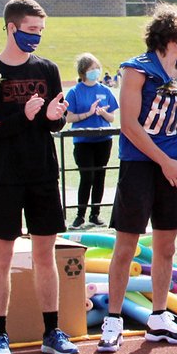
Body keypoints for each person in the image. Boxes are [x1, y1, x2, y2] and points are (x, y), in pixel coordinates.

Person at [0, 0, 77, 354]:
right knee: (2, 256)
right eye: (31, 30)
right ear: (12, 28)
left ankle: (52, 331)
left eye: (41, 31)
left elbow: (53, 122)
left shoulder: (46, 68)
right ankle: (0, 336)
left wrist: (52, 116)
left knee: (45, 255)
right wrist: (24, 116)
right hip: (4, 176)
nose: (37, 37)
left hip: (43, 173)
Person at [99, 4, 177, 353]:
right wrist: (164, 162)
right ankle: (113, 320)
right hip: (140, 164)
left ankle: (159, 316)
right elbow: (129, 125)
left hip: (173, 164)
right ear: (173, 36)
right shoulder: (136, 69)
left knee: (167, 245)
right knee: (126, 245)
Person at [64, 53, 119, 231]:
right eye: (91, 69)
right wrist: (88, 113)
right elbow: (69, 118)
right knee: (87, 176)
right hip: (83, 141)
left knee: (100, 176)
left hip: (103, 139)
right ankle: (80, 215)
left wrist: (102, 113)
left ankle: (95, 213)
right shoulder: (74, 92)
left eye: (97, 68)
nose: (96, 72)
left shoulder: (105, 90)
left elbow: (112, 117)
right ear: (82, 72)